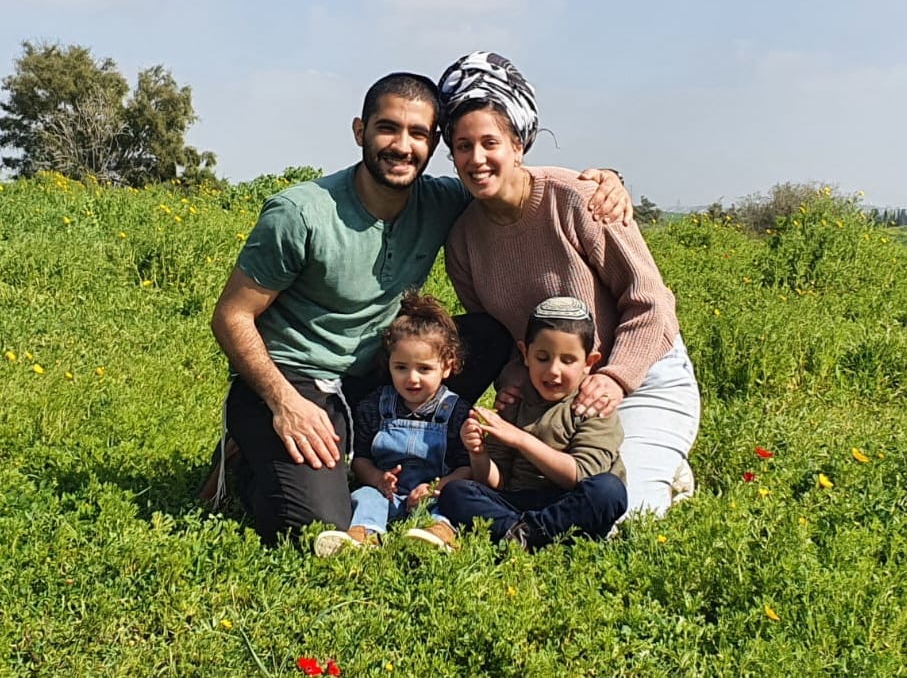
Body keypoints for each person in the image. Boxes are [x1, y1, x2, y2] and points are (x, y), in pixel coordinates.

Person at [205, 69, 633, 545]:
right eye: (387, 128)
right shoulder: (301, 213)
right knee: (314, 526)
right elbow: (231, 316)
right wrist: (285, 403)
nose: (402, 146)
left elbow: (508, 175)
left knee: (486, 335)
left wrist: (604, 180)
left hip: (378, 371)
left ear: (433, 145)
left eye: (419, 134)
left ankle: (449, 458)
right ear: (359, 131)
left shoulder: (439, 200)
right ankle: (249, 453)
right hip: (299, 379)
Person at [439, 51, 701, 519]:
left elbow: (651, 304)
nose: (476, 159)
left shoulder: (578, 199)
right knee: (547, 497)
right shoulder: (462, 240)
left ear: (518, 144)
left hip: (638, 377)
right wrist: (516, 382)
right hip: (552, 395)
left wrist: (616, 378)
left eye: (490, 142)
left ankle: (657, 460)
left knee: (624, 518)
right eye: (462, 146)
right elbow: (500, 336)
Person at [416, 297, 627, 551]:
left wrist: (519, 438)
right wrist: (478, 453)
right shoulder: (515, 399)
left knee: (608, 491)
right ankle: (527, 535)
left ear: (589, 363)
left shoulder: (592, 405)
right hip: (517, 499)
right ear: (525, 354)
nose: (553, 371)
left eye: (568, 360)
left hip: (567, 502)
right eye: (542, 357)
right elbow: (495, 482)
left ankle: (517, 532)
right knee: (457, 493)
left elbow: (582, 475)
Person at [314, 292, 472, 556]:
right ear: (388, 365)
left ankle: (438, 534)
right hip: (389, 496)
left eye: (424, 369)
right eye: (401, 367)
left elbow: (467, 468)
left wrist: (437, 487)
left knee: (451, 501)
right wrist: (377, 479)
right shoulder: (375, 405)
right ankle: (365, 535)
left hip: (433, 493)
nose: (412, 378)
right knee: (365, 496)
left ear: (447, 367)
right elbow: (360, 458)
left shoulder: (456, 411)